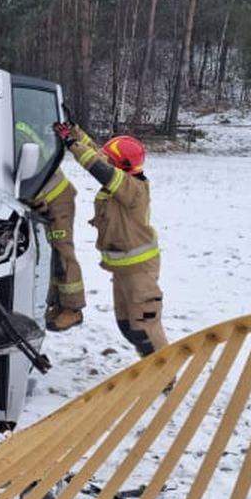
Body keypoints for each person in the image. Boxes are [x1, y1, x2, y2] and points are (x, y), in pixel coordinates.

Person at [52, 118, 168, 357]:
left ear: (122, 166)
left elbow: (99, 167)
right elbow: (102, 157)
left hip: (140, 272)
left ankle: (166, 376)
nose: (108, 162)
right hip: (123, 269)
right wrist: (76, 131)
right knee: (129, 329)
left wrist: (72, 144)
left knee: (146, 329)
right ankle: (152, 370)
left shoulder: (131, 188)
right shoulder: (124, 177)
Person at [16, 121, 86, 332]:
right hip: (45, 196)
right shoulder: (18, 128)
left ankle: (73, 310)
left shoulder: (17, 134)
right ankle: (58, 304)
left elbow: (27, 172)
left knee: (63, 252)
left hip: (56, 198)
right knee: (52, 254)